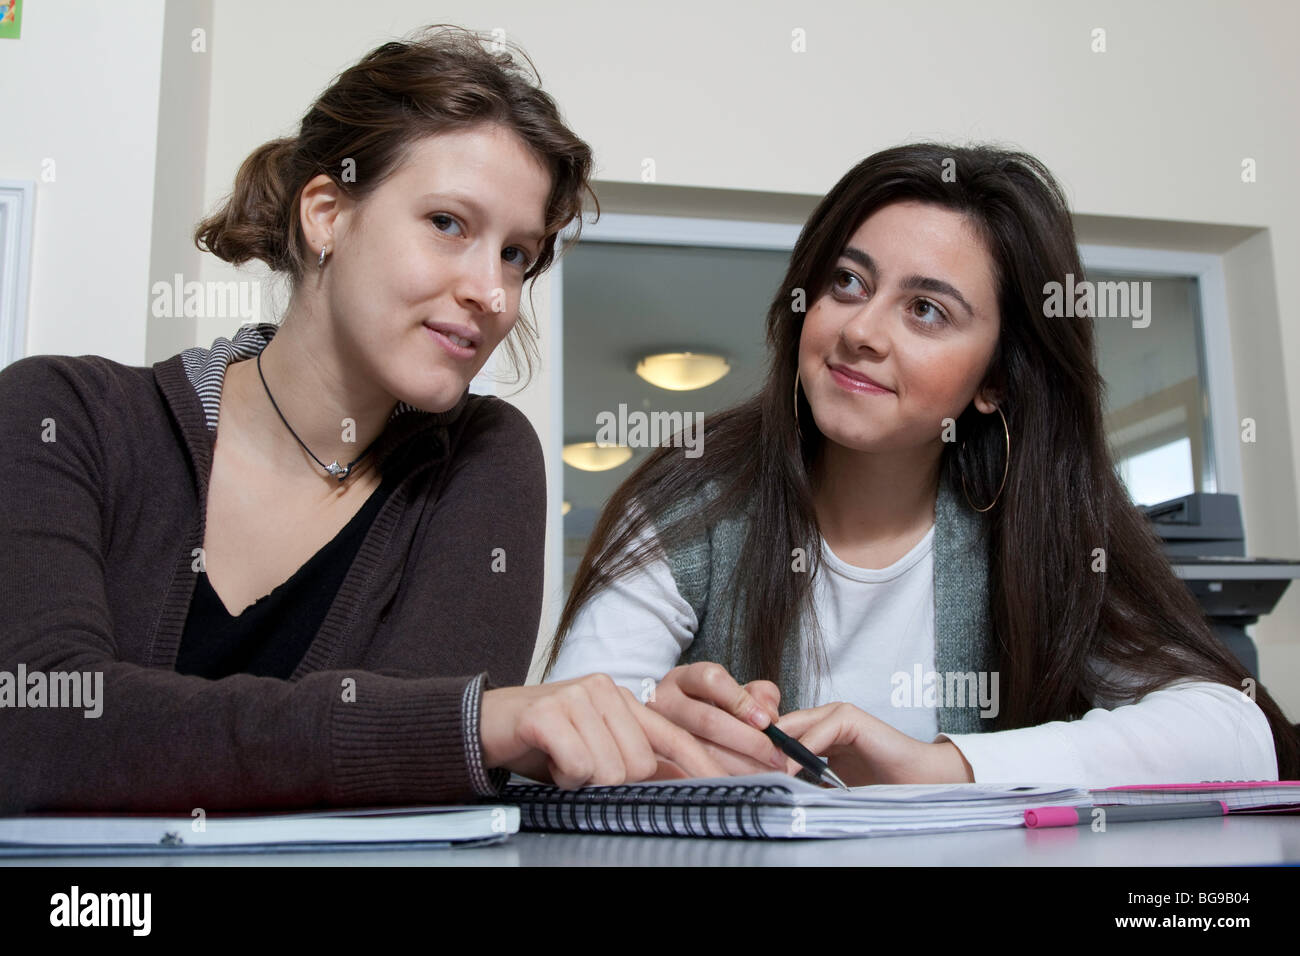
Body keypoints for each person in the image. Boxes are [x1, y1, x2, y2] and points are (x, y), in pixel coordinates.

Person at [0, 25, 721, 814]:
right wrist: (460, 725)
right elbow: (37, 731)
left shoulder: (482, 460)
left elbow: (416, 784)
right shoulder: (58, 416)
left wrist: (444, 732)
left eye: (518, 254)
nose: (495, 293)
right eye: (448, 223)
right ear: (326, 214)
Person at [544, 142, 1299, 787]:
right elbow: (559, 734)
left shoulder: (1043, 528)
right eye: (848, 282)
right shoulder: (691, 500)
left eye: (927, 309)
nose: (862, 330)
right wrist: (655, 735)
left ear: (995, 380)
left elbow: (1236, 735)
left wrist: (940, 765)